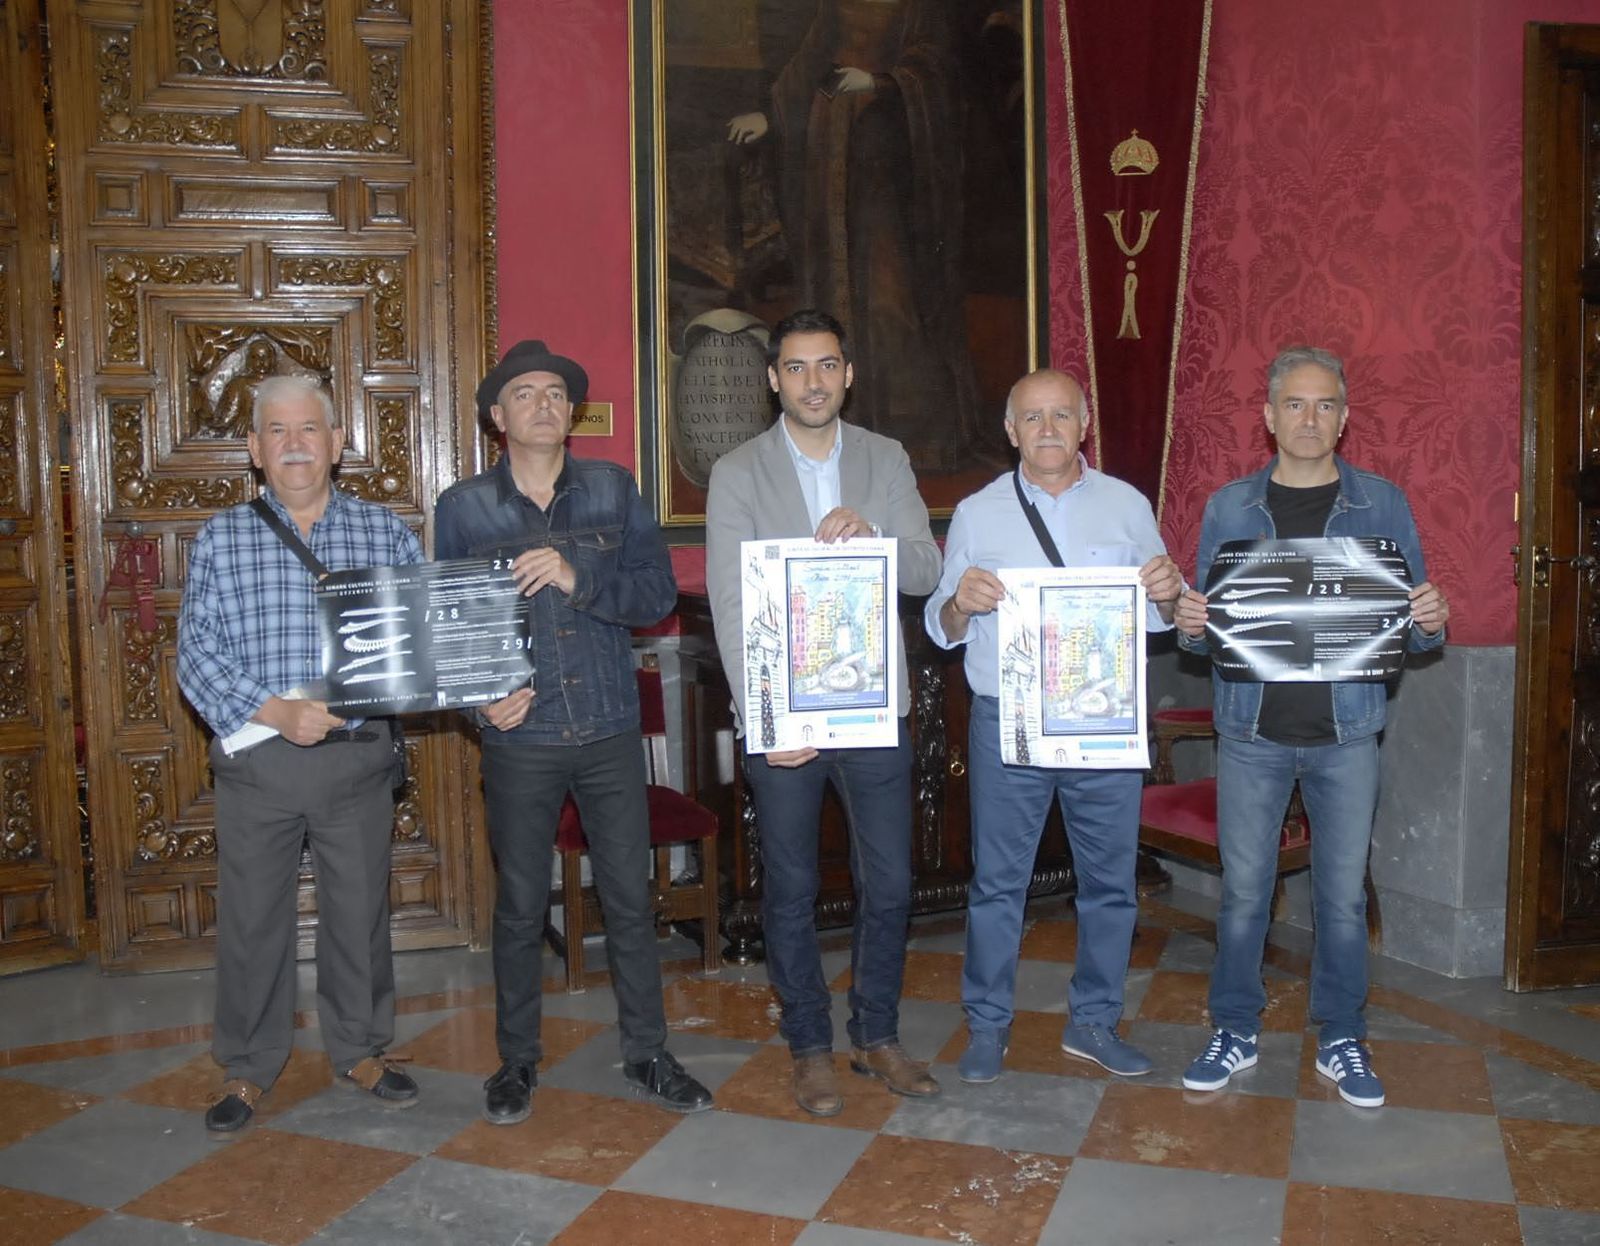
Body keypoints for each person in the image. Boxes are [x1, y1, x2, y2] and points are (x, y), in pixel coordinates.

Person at [434, 340, 713, 1125]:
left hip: (609, 728)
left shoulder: (612, 490)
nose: (543, 405)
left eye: (556, 393)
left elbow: (657, 591)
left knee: (629, 898)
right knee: (522, 906)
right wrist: (480, 703)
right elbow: (450, 630)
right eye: (524, 394)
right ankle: (516, 1063)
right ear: (498, 417)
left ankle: (649, 1052)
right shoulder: (465, 509)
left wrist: (575, 574)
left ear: (571, 412)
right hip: (519, 737)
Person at [1174, 346, 1449, 1108]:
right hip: (1252, 733)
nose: (1309, 418)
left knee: (1342, 899)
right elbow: (1205, 632)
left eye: (1325, 405)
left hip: (1347, 732)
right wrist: (1188, 619)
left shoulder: (1382, 505)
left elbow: (1413, 631)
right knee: (1243, 894)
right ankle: (1234, 1027)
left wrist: (1432, 617)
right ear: (1268, 417)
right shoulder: (1229, 507)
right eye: (1294, 404)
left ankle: (1342, 1038)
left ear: (1344, 418)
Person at [705, 308, 943, 1115]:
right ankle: (809, 1043)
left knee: (892, 883)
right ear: (775, 379)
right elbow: (733, 606)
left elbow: (923, 570)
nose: (814, 382)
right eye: (798, 368)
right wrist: (768, 722)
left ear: (849, 374)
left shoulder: (886, 458)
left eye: (828, 366)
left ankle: (876, 1035)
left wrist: (873, 533)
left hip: (876, 709)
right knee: (793, 885)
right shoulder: (738, 471)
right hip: (787, 719)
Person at [178, 375, 421, 1132]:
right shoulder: (223, 536)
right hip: (260, 763)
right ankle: (249, 1065)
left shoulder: (386, 535)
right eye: (276, 431)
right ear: (254, 448)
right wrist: (277, 712)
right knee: (253, 920)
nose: (293, 444)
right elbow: (196, 653)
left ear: (336, 443)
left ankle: (360, 1049)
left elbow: (420, 643)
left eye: (308, 429)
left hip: (355, 761)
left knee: (358, 915)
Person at [924, 368, 1181, 1084]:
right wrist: (961, 605)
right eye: (1031, 418)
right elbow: (940, 627)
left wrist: (1169, 592)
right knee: (998, 885)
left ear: (1083, 424)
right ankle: (987, 1027)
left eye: (1060, 416)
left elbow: (1165, 616)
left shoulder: (1128, 506)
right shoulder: (977, 513)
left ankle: (1095, 1023)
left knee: (1110, 884)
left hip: (1102, 721)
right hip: (1009, 723)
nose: (1046, 430)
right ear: (1010, 432)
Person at [728, 1, 980, 469]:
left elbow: (939, 71)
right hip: (833, 165)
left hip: (891, 168)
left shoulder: (918, 8)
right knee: (836, 295)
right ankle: (843, 435)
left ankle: (908, 435)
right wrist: (770, 118)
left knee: (889, 295)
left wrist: (882, 83)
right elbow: (805, 69)